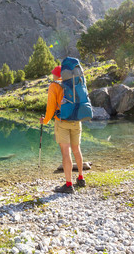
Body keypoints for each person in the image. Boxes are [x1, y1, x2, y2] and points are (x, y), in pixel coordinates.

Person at [40, 65, 85, 194]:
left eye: (53, 73)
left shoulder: (54, 86)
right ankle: (81, 179)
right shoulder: (75, 83)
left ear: (57, 75)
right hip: (76, 120)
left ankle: (68, 184)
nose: (52, 75)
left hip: (62, 122)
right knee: (77, 149)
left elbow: (51, 107)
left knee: (66, 152)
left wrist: (45, 120)